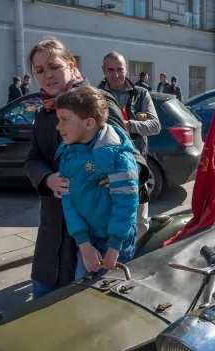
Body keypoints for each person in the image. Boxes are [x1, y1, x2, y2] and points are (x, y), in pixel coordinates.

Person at [24, 38, 149, 299]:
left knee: (83, 306)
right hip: (56, 222)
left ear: (71, 65)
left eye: (53, 66)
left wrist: (122, 177)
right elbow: (33, 158)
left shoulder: (95, 100)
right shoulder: (45, 111)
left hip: (94, 229)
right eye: (39, 70)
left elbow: (130, 154)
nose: (47, 75)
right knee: (42, 299)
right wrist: (48, 179)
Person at [55, 86, 138, 280]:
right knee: (82, 288)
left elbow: (126, 205)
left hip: (117, 243)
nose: (58, 127)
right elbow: (69, 202)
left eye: (64, 120)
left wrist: (114, 247)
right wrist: (83, 243)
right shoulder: (69, 154)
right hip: (89, 242)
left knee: (110, 294)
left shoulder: (117, 156)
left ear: (89, 123)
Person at [99, 52, 161, 238]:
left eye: (120, 69)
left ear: (126, 69)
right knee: (110, 217)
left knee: (140, 220)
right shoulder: (96, 95)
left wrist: (128, 125)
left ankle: (138, 256)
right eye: (110, 70)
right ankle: (115, 258)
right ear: (103, 70)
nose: (116, 74)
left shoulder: (141, 94)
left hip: (137, 167)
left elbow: (155, 126)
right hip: (107, 167)